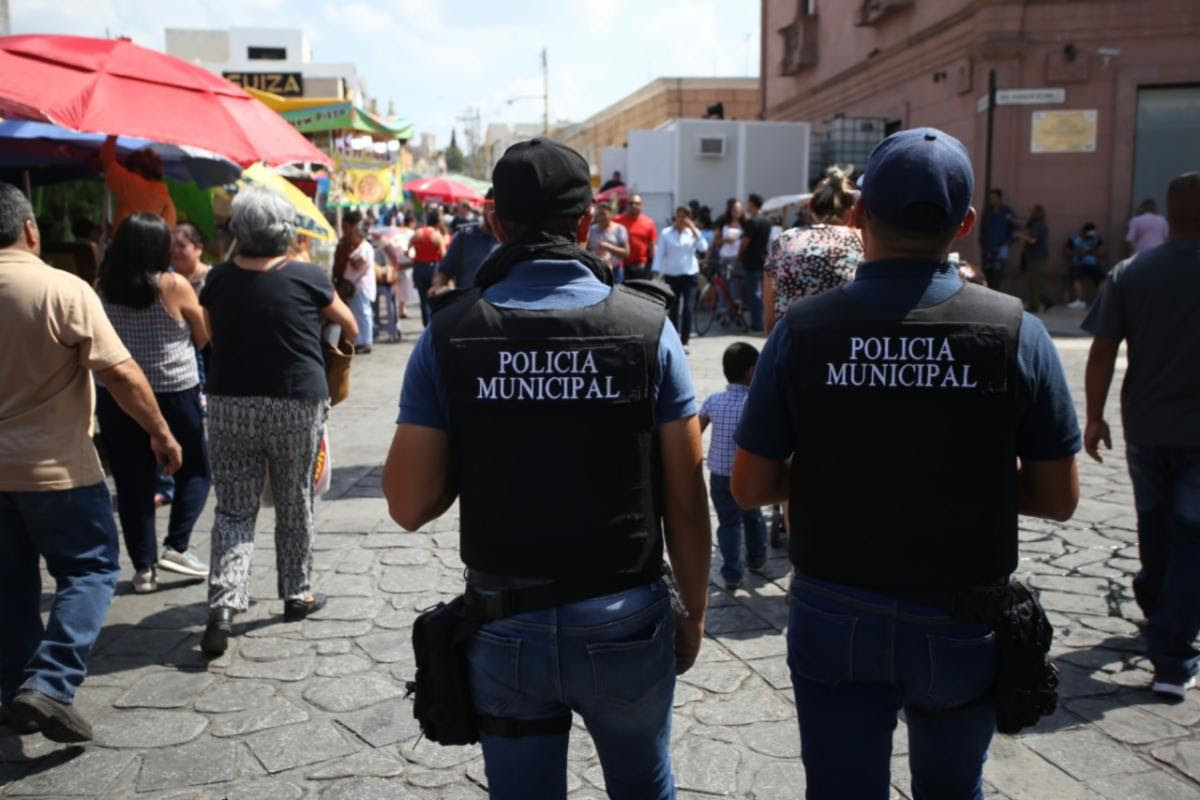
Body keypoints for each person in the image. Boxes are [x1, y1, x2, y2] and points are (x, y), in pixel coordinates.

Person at [730, 128, 1081, 799]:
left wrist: (846, 476)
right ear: (967, 224)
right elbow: (1058, 496)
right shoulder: (1017, 330)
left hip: (835, 605)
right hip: (960, 614)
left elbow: (748, 486)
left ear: (858, 215)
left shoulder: (800, 332)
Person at [382, 138, 711, 799]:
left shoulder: (451, 333)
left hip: (507, 620)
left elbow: (408, 504)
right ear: (588, 223)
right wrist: (695, 612)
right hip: (624, 613)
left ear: (496, 222)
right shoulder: (648, 328)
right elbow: (686, 497)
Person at [0, 183, 182, 742]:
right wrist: (162, 433)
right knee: (92, 568)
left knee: (8, 585)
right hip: (56, 468)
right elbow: (120, 373)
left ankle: (17, 691)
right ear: (31, 229)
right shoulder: (62, 288)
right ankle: (51, 683)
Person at [198, 186, 358, 655]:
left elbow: (209, 331)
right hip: (295, 401)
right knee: (295, 499)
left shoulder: (219, 280)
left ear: (238, 231)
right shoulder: (306, 277)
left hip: (229, 403)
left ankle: (225, 602)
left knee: (233, 507)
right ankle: (297, 592)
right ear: (287, 230)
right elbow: (348, 326)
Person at [1082, 172, 1200, 700]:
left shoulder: (1132, 271)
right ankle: (1173, 657)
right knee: (1192, 539)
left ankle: (1160, 607)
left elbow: (1103, 348)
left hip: (1146, 425)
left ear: (1169, 215)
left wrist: (1094, 415)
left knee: (1155, 528)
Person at [95, 213, 212, 592]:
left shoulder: (101, 286)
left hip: (119, 395)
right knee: (194, 468)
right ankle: (176, 545)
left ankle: (143, 569)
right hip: (173, 392)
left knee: (131, 481)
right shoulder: (173, 285)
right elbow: (202, 335)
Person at [763, 166, 863, 332]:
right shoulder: (861, 241)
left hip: (791, 346)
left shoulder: (783, 241)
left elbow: (769, 319)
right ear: (851, 212)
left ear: (809, 207)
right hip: (843, 349)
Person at [700, 343, 766, 591]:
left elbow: (694, 432)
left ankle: (731, 573)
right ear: (750, 372)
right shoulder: (755, 403)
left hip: (719, 474)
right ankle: (757, 560)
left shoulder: (713, 401)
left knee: (728, 523)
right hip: (748, 474)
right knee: (753, 516)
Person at [652, 205, 709, 349]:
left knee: (688, 308)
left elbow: (703, 247)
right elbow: (660, 254)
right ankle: (675, 338)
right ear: (675, 216)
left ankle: (685, 340)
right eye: (679, 215)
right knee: (674, 308)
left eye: (685, 216)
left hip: (690, 275)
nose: (681, 219)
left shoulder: (692, 233)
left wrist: (695, 230)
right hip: (672, 275)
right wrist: (655, 271)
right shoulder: (666, 233)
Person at [98, 135, 177, 232]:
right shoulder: (168, 203)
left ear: (137, 169)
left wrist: (113, 135)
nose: (126, 172)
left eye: (129, 169)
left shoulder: (133, 184)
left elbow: (107, 159)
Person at [433, 190, 500, 293]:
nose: (496, 214)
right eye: (492, 208)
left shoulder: (514, 240)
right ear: (485, 207)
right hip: (469, 305)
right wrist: (438, 287)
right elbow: (444, 272)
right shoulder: (465, 236)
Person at [338, 210, 376, 353]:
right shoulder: (360, 247)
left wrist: (349, 256)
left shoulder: (364, 247)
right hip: (355, 286)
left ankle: (365, 341)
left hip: (361, 286)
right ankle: (360, 340)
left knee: (363, 313)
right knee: (358, 312)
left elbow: (359, 264)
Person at [737, 192, 772, 332]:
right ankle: (762, 322)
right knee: (760, 294)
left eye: (748, 202)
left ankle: (756, 324)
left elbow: (745, 241)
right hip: (763, 259)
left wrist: (738, 255)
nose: (747, 204)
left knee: (754, 294)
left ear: (752, 204)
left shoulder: (753, 221)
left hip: (751, 261)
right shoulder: (766, 221)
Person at [409, 210, 447, 326]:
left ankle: (426, 325)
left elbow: (408, 250)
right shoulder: (437, 236)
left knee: (423, 300)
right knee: (434, 298)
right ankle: (433, 324)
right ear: (438, 222)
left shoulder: (418, 232)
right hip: (432, 268)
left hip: (418, 267)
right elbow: (444, 256)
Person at [979, 188, 1017, 289]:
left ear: (1000, 198)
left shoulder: (1006, 212)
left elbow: (1015, 228)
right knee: (988, 273)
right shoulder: (987, 212)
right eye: (991, 198)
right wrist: (983, 244)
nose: (992, 200)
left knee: (998, 273)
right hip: (988, 248)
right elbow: (983, 229)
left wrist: (1007, 241)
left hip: (1001, 248)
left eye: (994, 198)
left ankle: (996, 292)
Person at [1015, 204, 1052, 312]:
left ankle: (1034, 306)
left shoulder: (1038, 225)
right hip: (1036, 256)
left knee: (1034, 283)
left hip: (1037, 257)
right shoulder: (1037, 224)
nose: (1029, 213)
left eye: (1031, 211)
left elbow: (1033, 240)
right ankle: (1047, 301)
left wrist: (1020, 236)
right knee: (1036, 282)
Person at [615, 194, 658, 281]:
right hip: (621, 265)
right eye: (631, 203)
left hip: (641, 265)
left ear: (641, 205)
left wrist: (654, 267)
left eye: (637, 203)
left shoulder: (649, 222)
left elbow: (652, 246)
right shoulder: (617, 220)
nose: (634, 206)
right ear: (626, 205)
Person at [1064, 222, 1105, 309]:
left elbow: (1102, 251)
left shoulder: (1097, 238)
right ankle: (1079, 300)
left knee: (1102, 277)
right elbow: (1066, 251)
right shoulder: (1074, 239)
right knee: (1075, 276)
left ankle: (1102, 300)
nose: (1090, 236)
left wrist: (1093, 251)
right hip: (1078, 264)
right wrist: (1079, 252)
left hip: (1092, 264)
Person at [586, 202, 630, 283]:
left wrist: (608, 247)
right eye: (598, 214)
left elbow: (626, 253)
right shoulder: (592, 229)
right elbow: (585, 249)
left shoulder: (619, 229)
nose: (601, 217)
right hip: (596, 270)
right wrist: (594, 253)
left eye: (603, 214)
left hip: (615, 271)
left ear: (611, 214)